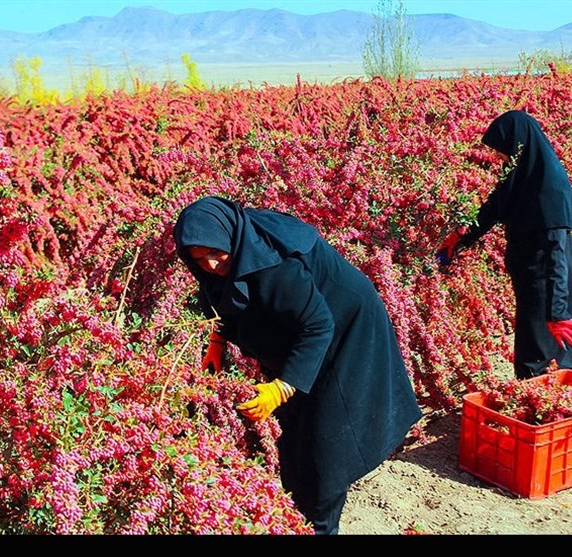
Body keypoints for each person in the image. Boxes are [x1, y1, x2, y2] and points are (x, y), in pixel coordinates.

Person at [172, 195, 422, 535]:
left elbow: (318, 326)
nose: (212, 265)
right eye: (200, 259)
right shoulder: (233, 247)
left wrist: (282, 386)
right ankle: (297, 510)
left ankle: (320, 525)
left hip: (344, 330)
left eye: (216, 253)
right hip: (305, 331)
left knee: (327, 441)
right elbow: (219, 295)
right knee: (295, 433)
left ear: (230, 237)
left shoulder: (273, 267)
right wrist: (217, 342)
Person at [436, 109, 572, 380]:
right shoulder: (520, 177)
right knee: (535, 351)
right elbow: (491, 210)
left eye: (500, 150)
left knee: (543, 359)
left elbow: (557, 253)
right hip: (535, 277)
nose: (497, 157)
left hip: (550, 280)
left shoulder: (551, 187)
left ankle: (552, 413)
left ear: (518, 145)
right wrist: (458, 238)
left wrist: (558, 311)